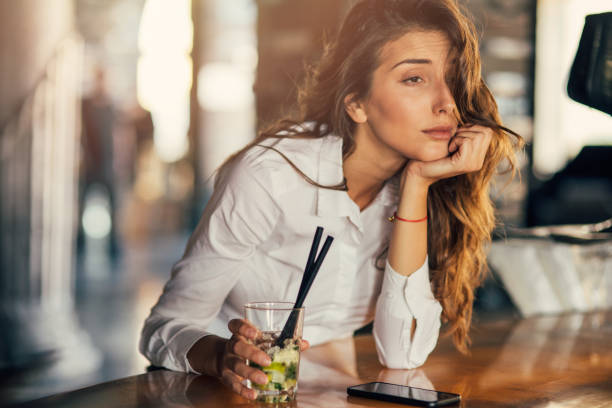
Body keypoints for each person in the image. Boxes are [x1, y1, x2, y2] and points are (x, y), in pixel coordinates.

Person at [140, 0, 523, 401]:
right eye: (414, 79)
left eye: (453, 78)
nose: (447, 102)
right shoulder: (270, 176)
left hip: (333, 394)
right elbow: (164, 327)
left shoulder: (426, 185)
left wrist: (416, 186)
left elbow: (403, 354)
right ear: (356, 103)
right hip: (225, 394)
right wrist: (223, 356)